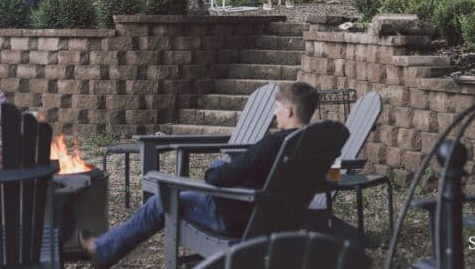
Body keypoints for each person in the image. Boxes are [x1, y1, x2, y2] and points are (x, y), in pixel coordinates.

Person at [80, 82, 321, 268]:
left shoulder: (273, 144)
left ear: (289, 110)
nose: (275, 113)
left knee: (160, 201)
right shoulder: (313, 148)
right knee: (208, 176)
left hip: (234, 217)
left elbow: (219, 178)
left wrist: (213, 172)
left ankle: (103, 250)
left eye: (277, 108)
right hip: (275, 220)